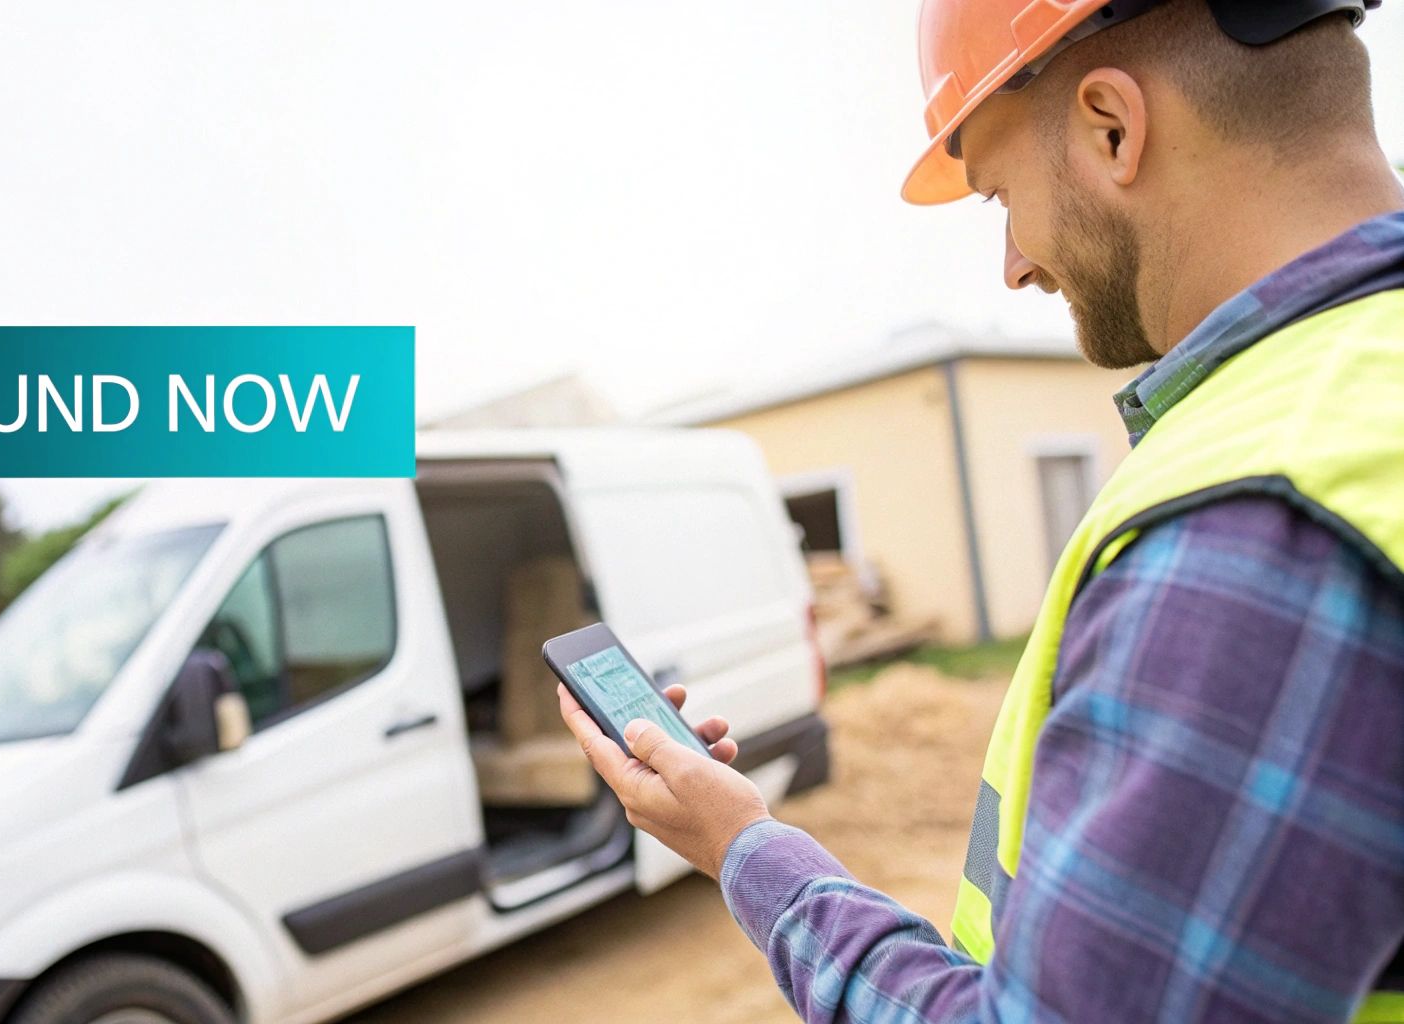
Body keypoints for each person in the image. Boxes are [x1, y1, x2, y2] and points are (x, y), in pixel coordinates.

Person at [558, 1, 1404, 1020]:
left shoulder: (1253, 524)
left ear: (1110, 128)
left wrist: (742, 847)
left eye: (1001, 193)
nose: (1012, 262)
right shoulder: (1359, 403)